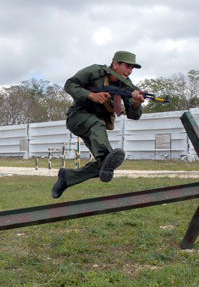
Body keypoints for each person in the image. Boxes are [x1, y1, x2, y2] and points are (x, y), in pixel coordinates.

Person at [51, 51, 145, 199]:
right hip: (78, 117)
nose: (129, 71)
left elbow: (134, 115)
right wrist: (91, 95)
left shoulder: (127, 86)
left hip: (95, 127)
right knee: (99, 130)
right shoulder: (96, 71)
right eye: (127, 66)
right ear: (115, 64)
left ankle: (67, 177)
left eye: (132, 68)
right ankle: (105, 156)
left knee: (106, 164)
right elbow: (70, 84)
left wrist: (136, 104)